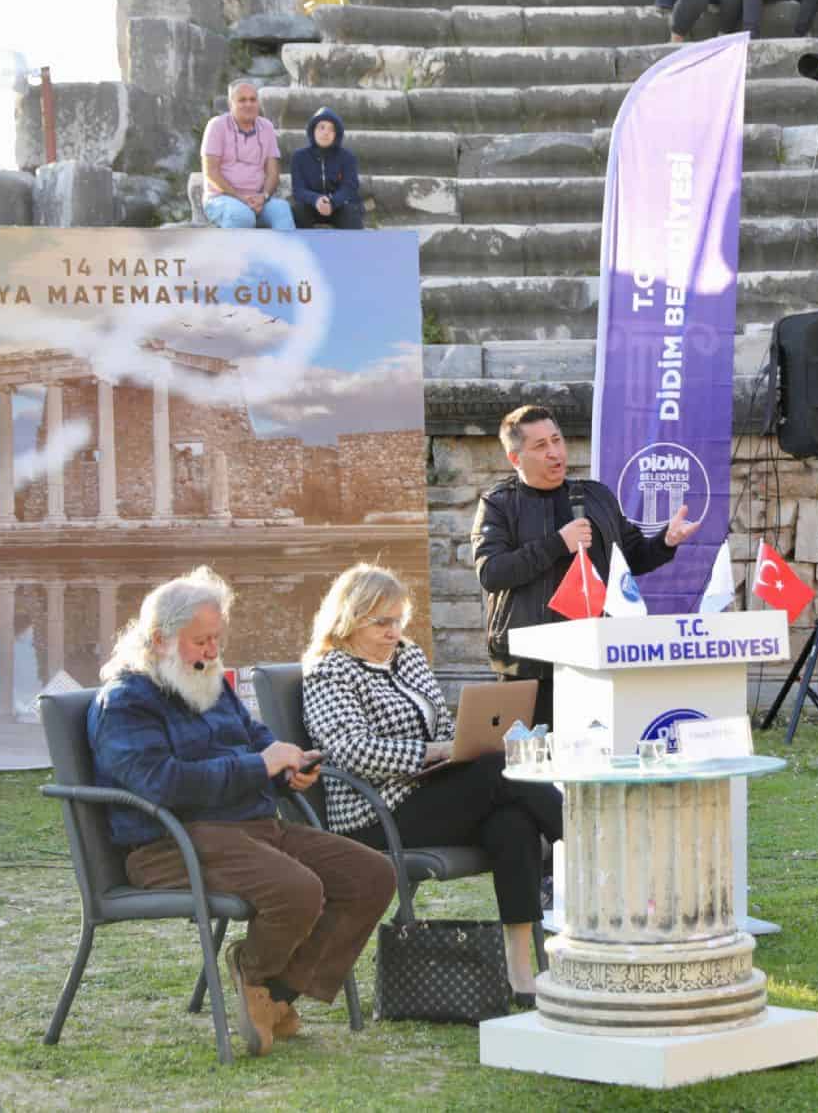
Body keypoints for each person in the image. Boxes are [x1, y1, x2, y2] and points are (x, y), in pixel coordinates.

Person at [88, 567, 394, 1057]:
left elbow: (257, 742)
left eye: (216, 638)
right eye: (201, 641)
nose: (212, 651)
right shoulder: (125, 701)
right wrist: (257, 765)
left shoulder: (209, 680)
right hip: (170, 843)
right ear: (159, 639)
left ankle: (274, 995)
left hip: (253, 829)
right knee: (298, 890)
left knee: (372, 874)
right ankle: (252, 972)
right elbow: (160, 784)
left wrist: (287, 764)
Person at [301, 564, 562, 1000]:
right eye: (380, 622)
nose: (392, 631)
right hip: (374, 813)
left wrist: (459, 743)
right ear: (348, 619)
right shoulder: (329, 671)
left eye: (398, 619)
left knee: (513, 820)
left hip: (429, 793)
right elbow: (349, 749)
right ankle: (586, 845)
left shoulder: (409, 656)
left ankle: (519, 971)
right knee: (501, 769)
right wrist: (431, 752)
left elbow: (441, 722)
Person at [471, 405, 700, 728]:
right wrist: (557, 544)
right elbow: (492, 573)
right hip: (529, 666)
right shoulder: (498, 504)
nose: (554, 452)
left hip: (596, 655)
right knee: (534, 769)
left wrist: (666, 541)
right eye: (540, 446)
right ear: (515, 458)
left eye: (556, 440)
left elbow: (631, 558)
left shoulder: (596, 496)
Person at [201, 81, 296, 231]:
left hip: (258, 199)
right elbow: (211, 172)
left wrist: (263, 197)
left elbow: (273, 173)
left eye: (253, 99)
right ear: (231, 103)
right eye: (242, 100)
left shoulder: (267, 127)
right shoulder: (217, 126)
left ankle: (281, 255)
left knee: (282, 211)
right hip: (222, 198)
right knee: (242, 216)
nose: (248, 104)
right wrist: (239, 197)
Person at [288, 107, 363, 230]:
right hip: (311, 205)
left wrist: (332, 202)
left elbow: (350, 187)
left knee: (351, 213)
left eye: (331, 129)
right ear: (313, 130)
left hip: (339, 205)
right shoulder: (299, 157)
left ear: (337, 134)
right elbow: (298, 189)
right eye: (321, 127)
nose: (326, 133)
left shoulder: (347, 157)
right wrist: (316, 199)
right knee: (298, 211)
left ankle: (353, 247)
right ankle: (304, 248)